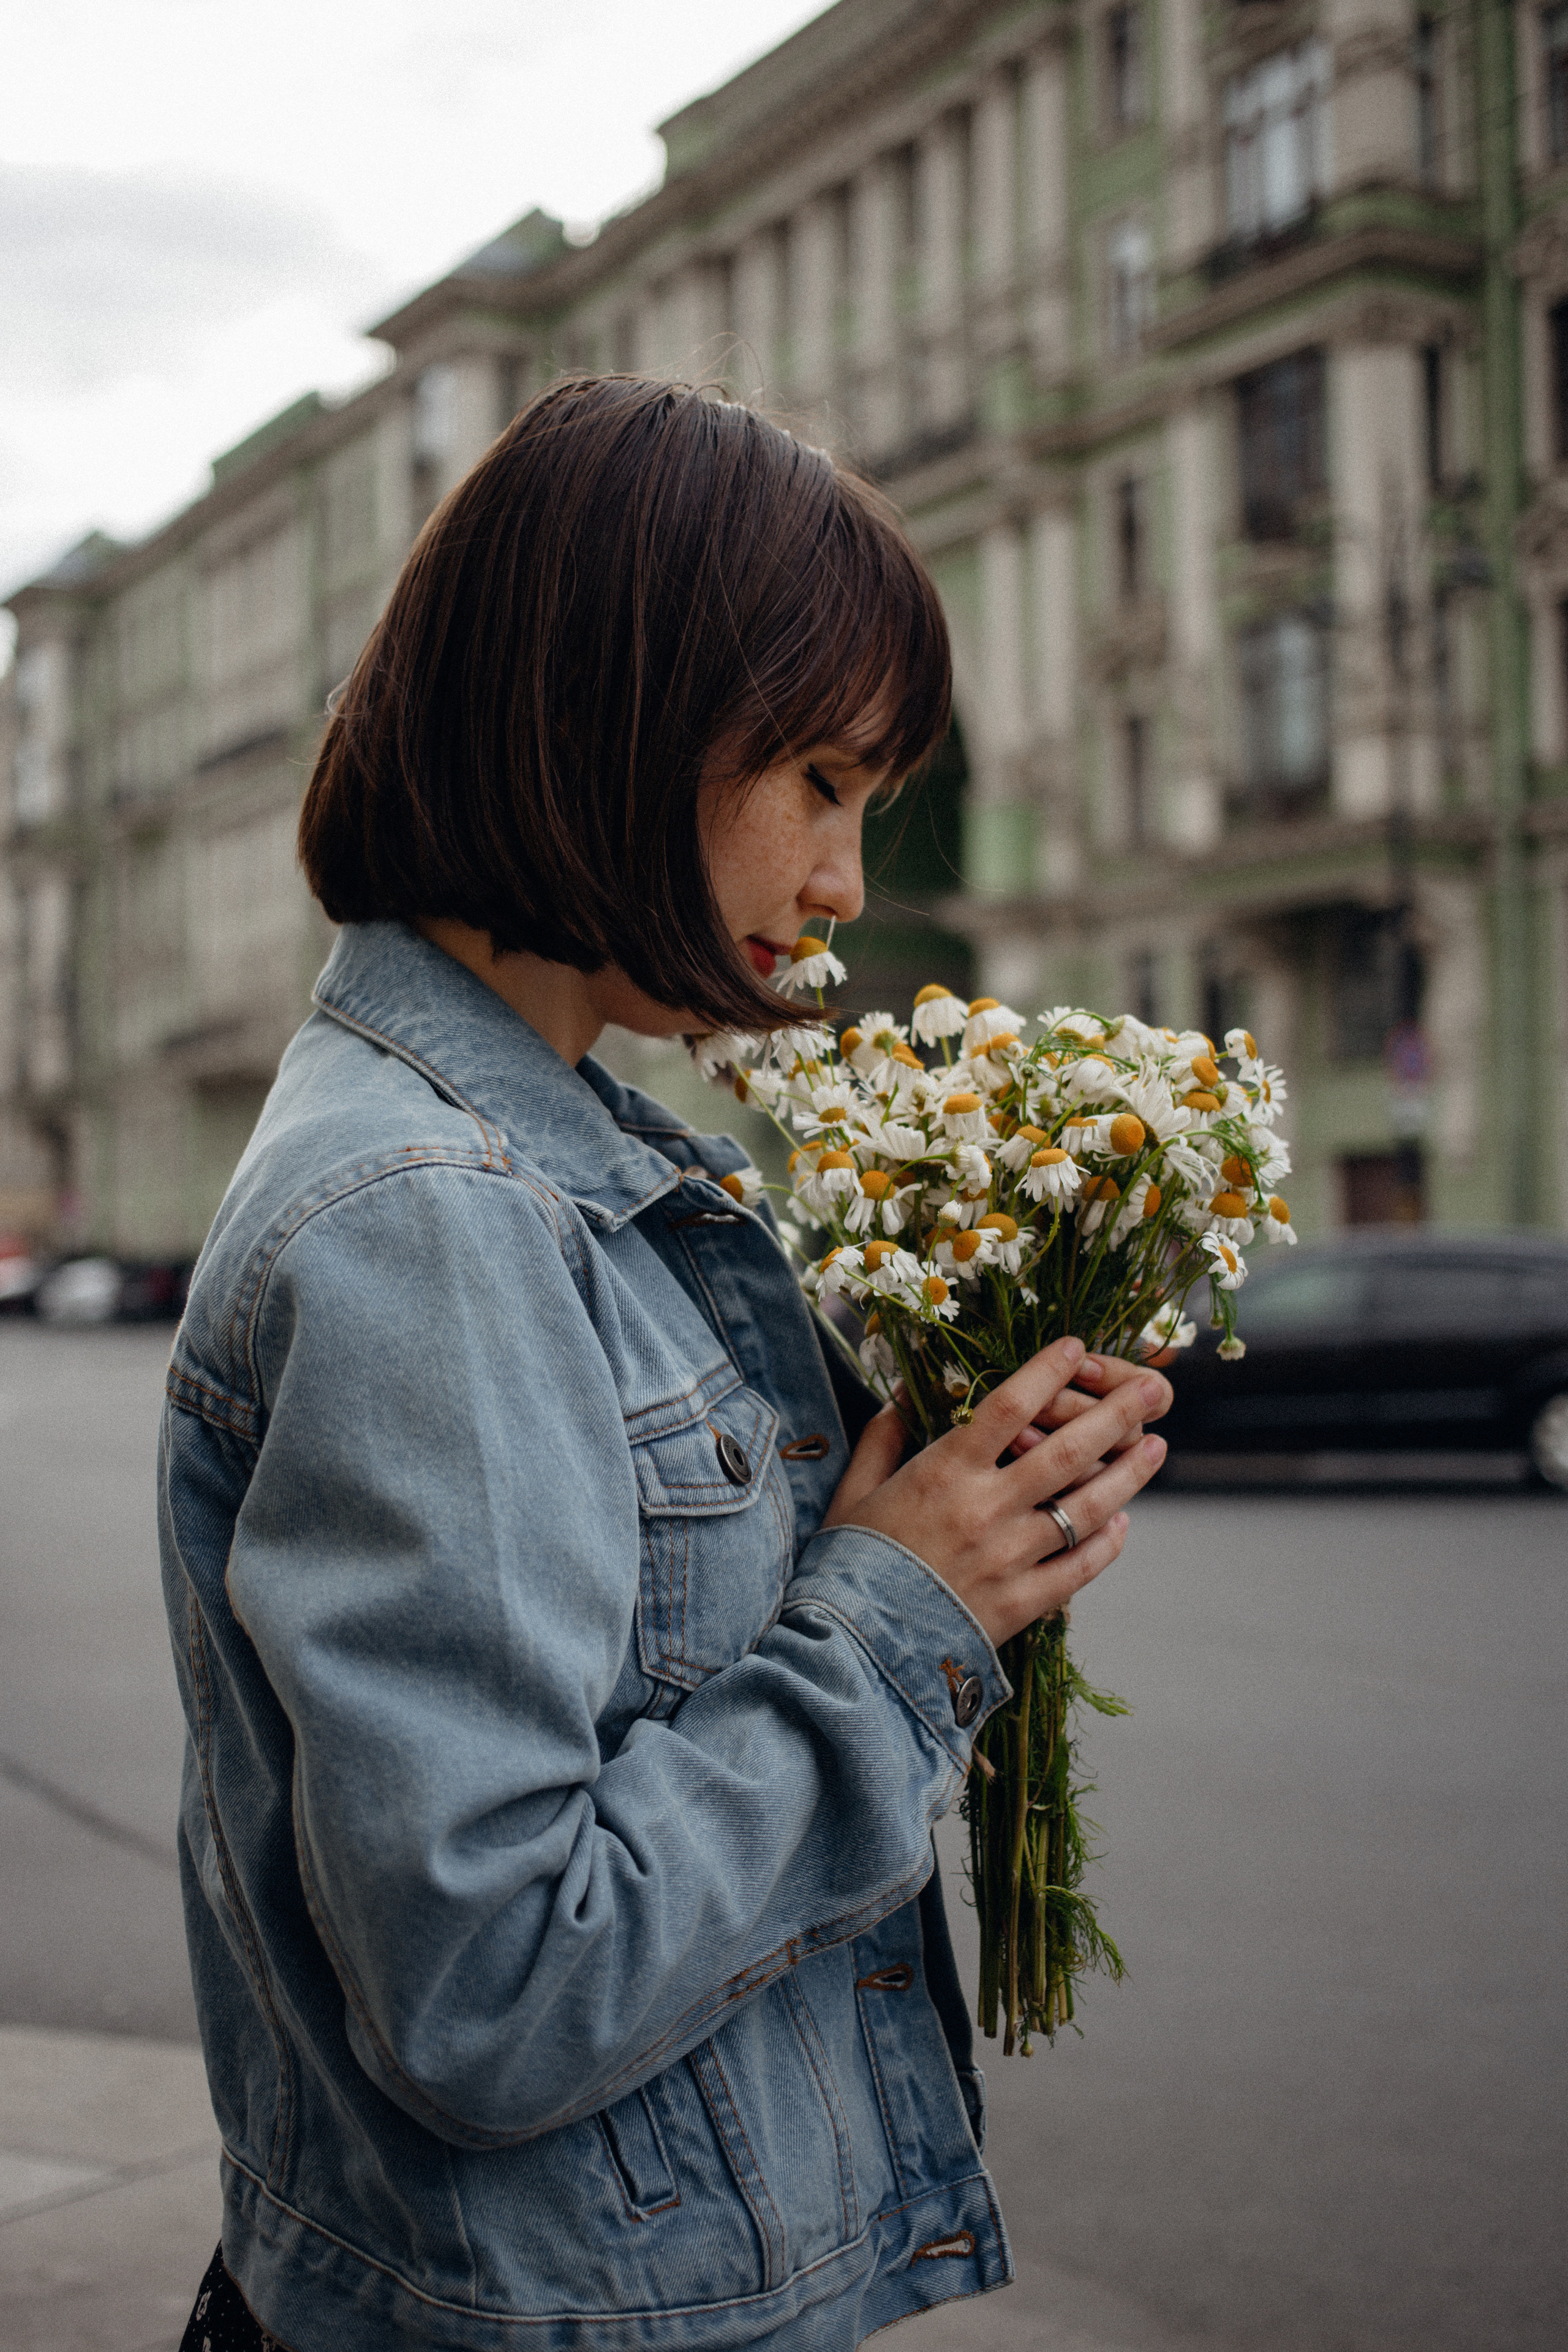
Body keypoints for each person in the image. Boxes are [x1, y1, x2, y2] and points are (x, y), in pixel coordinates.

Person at [161, 375, 1171, 2352]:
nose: (843, 889)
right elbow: (499, 1986)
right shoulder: (427, 1217)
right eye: (815, 779)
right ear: (603, 725)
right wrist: (909, 1611)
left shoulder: (564, 1154)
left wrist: (946, 1474)